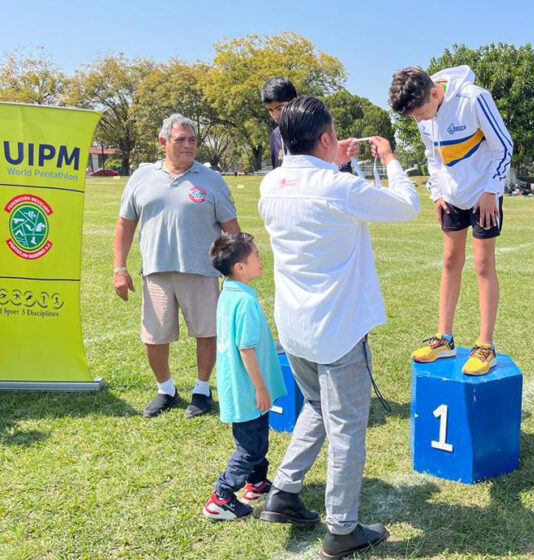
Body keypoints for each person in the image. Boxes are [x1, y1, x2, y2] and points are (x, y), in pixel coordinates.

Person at [257, 97, 418, 559]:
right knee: (347, 424)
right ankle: (342, 527)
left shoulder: (271, 184)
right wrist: (387, 160)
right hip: (337, 327)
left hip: (294, 325)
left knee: (315, 407)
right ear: (325, 137)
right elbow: (405, 205)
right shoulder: (335, 187)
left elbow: (319, 188)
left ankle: (284, 490)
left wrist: (337, 162)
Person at [113, 113, 240, 418]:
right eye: (180, 139)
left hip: (202, 270)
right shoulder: (141, 178)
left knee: (207, 333)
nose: (188, 145)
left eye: (193, 140)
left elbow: (231, 229)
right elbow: (125, 225)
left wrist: (234, 272)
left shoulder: (211, 180)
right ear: (163, 142)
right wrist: (120, 268)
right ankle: (166, 389)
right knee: (154, 336)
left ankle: (201, 388)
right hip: (156, 272)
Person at [389, 65, 513, 375]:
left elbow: (504, 146)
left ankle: (486, 346)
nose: (419, 120)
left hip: (484, 193)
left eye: (420, 113)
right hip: (452, 197)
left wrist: (490, 191)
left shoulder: (475, 98)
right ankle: (444, 339)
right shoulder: (425, 114)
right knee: (449, 261)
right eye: (414, 117)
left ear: (434, 92)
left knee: (483, 265)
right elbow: (434, 157)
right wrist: (436, 193)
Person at [202, 232, 286, 520]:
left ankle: (257, 484)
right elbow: (246, 349)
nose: (261, 260)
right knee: (250, 448)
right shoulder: (245, 303)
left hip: (237, 388)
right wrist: (261, 389)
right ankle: (221, 497)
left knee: (258, 440)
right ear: (240, 267)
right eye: (256, 256)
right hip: (248, 389)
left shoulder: (229, 293)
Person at [261, 77, 357, 173]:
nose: (275, 115)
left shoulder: (319, 128)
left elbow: (342, 171)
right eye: (270, 110)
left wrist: (339, 161)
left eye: (280, 108)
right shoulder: (275, 135)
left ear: (294, 103)